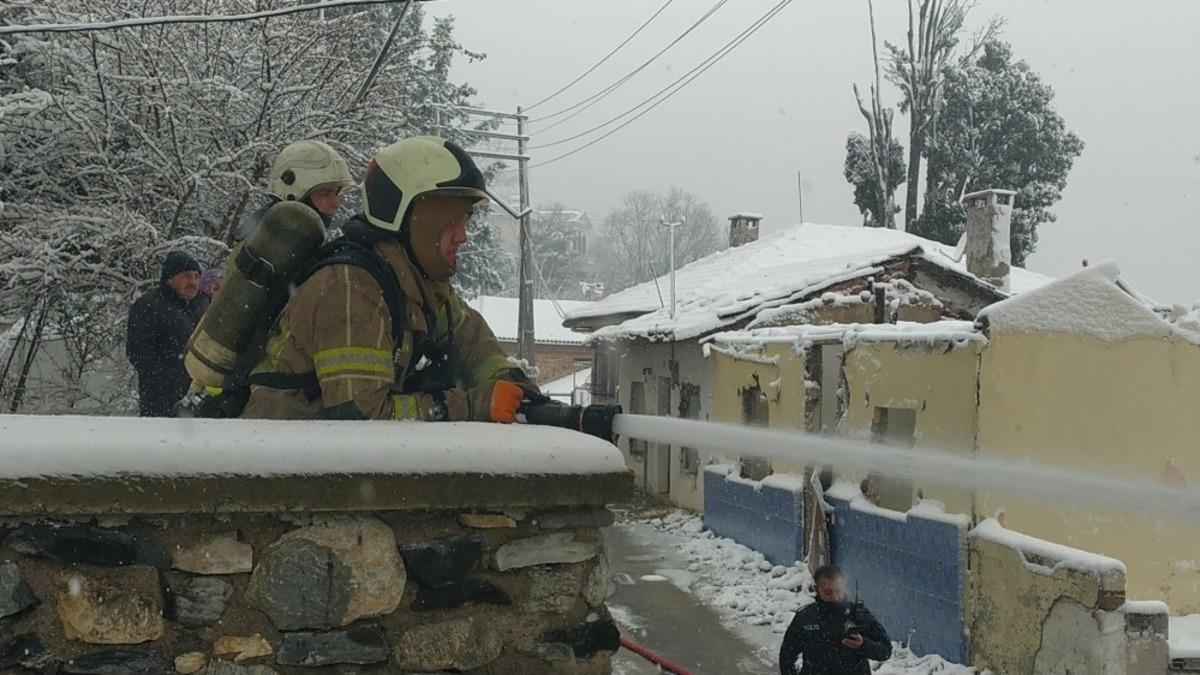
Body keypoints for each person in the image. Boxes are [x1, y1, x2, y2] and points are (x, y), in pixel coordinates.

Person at [239, 136, 534, 422]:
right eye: (451, 220)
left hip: (328, 462)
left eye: (465, 219)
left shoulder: (420, 286)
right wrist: (471, 405)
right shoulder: (348, 289)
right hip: (279, 457)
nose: (463, 237)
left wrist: (519, 391)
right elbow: (362, 414)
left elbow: (475, 346)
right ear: (414, 220)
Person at [126, 251, 205, 417]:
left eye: (197, 277)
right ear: (169, 279)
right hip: (162, 403)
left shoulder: (202, 305)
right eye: (186, 276)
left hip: (201, 400)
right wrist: (171, 382)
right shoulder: (148, 306)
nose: (193, 282)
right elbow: (139, 353)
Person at [233, 139, 356, 242]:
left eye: (336, 193)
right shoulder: (275, 249)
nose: (337, 204)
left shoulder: (269, 237)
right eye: (325, 193)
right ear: (292, 193)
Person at [779, 565, 892, 675]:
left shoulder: (857, 615)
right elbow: (787, 656)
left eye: (838, 590)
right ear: (817, 589)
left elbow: (885, 651)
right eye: (828, 592)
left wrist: (863, 645)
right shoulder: (806, 617)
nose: (835, 596)